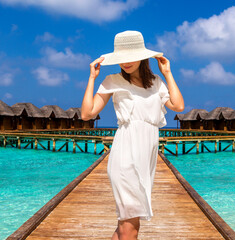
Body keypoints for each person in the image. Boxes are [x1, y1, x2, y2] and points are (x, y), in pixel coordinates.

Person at [81, 30, 184, 240]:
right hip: (125, 154)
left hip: (146, 156)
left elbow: (178, 106)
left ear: (142, 56)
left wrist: (167, 73)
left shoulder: (155, 82)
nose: (125, 63)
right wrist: (92, 78)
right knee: (131, 225)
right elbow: (87, 114)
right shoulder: (112, 80)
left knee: (124, 226)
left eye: (130, 57)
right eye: (121, 58)